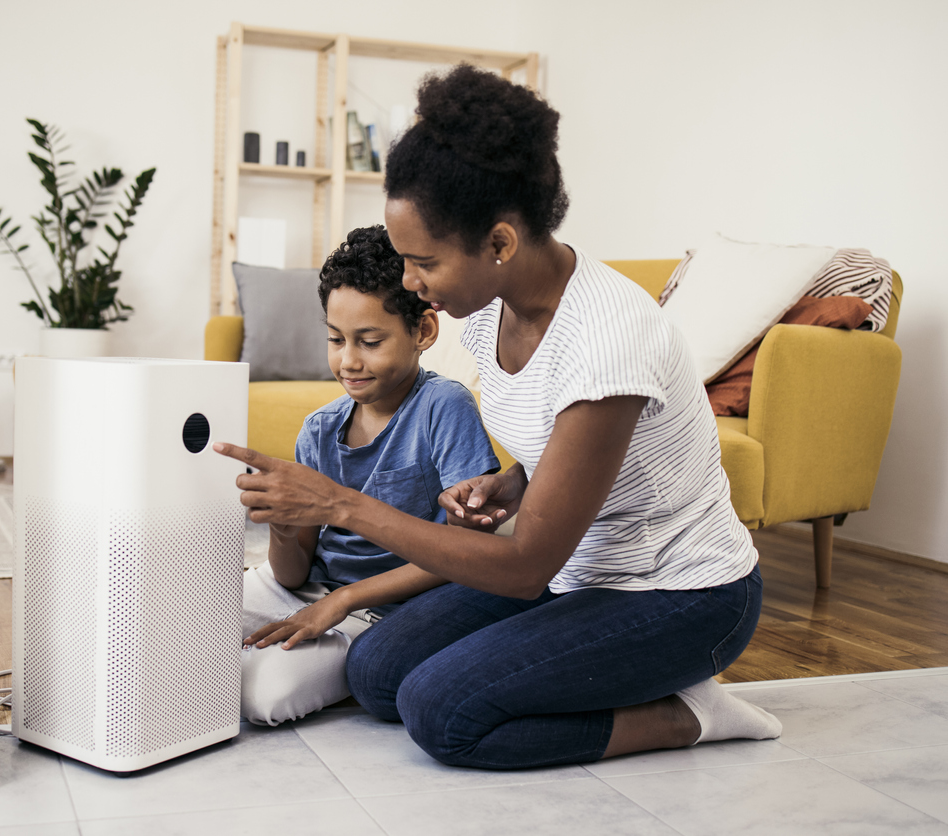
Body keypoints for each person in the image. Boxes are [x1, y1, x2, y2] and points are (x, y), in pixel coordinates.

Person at [217, 64, 781, 768]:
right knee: (376, 673)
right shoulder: (488, 311)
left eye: (421, 261)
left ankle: (686, 713)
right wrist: (512, 482)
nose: (409, 283)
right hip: (577, 574)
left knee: (442, 714)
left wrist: (338, 503)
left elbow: (521, 566)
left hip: (679, 595)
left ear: (500, 243)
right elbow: (575, 448)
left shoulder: (607, 340)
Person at [239, 224, 501, 727]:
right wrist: (281, 526)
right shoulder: (318, 429)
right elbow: (294, 574)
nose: (349, 361)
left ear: (423, 331)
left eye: (370, 340)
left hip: (386, 606)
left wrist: (343, 600)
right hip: (310, 589)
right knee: (180, 613)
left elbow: (467, 557)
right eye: (336, 339)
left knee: (263, 697)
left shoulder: (442, 407)